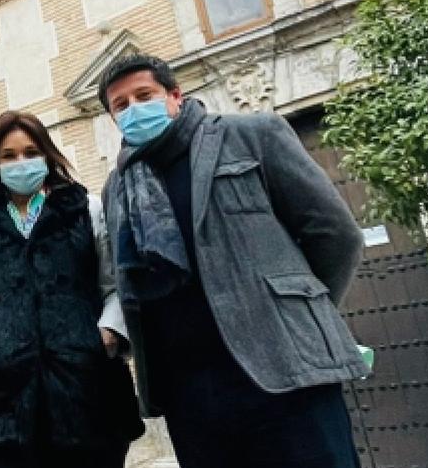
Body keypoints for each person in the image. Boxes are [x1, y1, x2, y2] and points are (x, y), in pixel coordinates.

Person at [96, 54, 367, 468]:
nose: (133, 108)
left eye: (144, 95)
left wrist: (296, 314)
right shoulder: (118, 186)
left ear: (174, 96)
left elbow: (335, 234)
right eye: (121, 105)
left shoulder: (251, 135)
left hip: (284, 375)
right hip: (191, 397)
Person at [0, 111, 143, 468]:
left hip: (86, 392)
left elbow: (115, 285)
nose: (21, 162)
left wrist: (105, 335)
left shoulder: (84, 208)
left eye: (30, 152)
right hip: (1, 402)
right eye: (9, 155)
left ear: (47, 154)